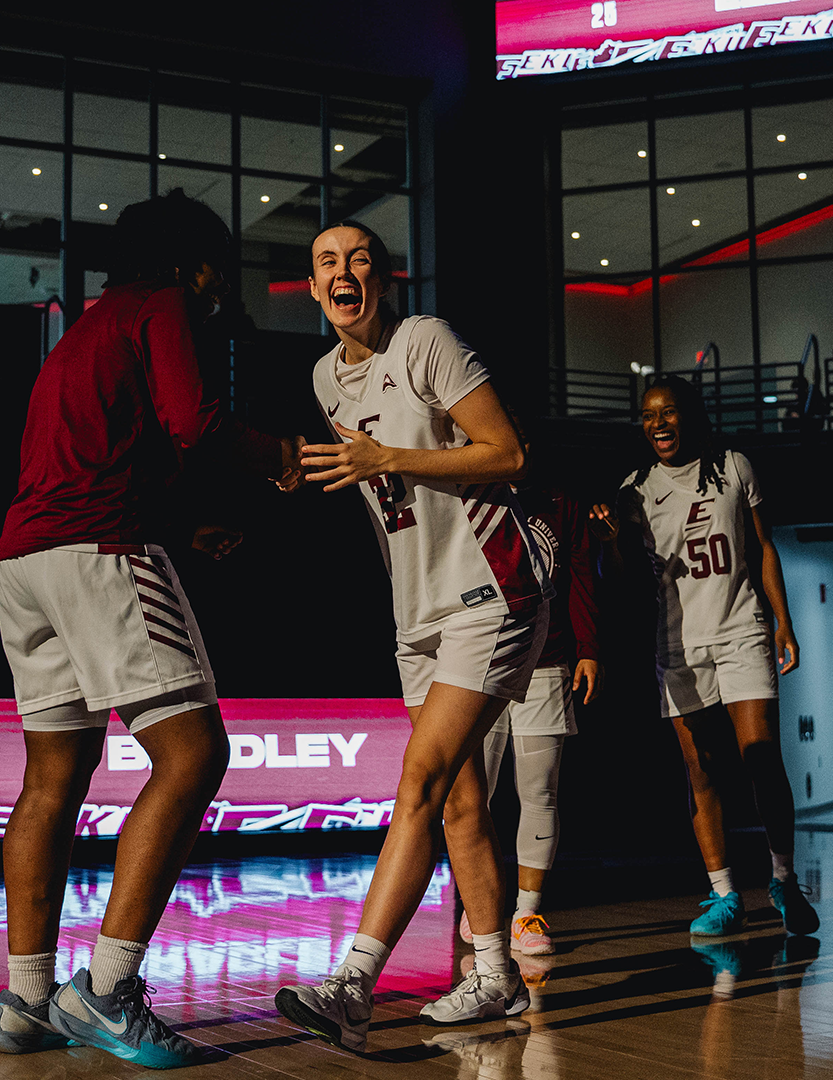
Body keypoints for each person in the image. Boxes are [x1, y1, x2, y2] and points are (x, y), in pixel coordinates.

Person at [0, 190, 300, 1067]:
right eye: (214, 265)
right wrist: (280, 459)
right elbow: (192, 421)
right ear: (185, 261)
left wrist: (179, 526)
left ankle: (26, 998)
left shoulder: (87, 327)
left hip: (24, 562)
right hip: (96, 549)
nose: (216, 284)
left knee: (53, 778)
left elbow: (100, 450)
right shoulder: (160, 305)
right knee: (195, 755)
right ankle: (110, 990)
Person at [275, 220, 552, 1052]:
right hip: (421, 606)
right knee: (461, 798)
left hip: (492, 582)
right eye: (328, 262)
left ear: (384, 277)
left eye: (359, 258)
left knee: (421, 779)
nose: (343, 271)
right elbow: (377, 492)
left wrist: (389, 457)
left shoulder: (426, 341)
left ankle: (355, 982)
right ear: (314, 288)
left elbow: (509, 452)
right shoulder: (326, 376)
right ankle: (496, 976)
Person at [590, 375, 820, 940]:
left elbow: (763, 545)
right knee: (701, 773)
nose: (658, 423)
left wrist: (782, 620)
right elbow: (621, 584)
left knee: (762, 760)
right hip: (678, 644)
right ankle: (724, 895)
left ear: (690, 416)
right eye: (648, 415)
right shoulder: (633, 491)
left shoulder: (734, 466)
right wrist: (611, 543)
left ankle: (784, 879)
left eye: (668, 412)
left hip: (741, 629)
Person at [456, 438, 602, 958]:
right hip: (482, 663)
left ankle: (527, 911)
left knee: (539, 792)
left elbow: (582, 575)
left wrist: (588, 648)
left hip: (548, 660)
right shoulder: (464, 496)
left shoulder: (561, 502)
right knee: (477, 794)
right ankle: (482, 907)